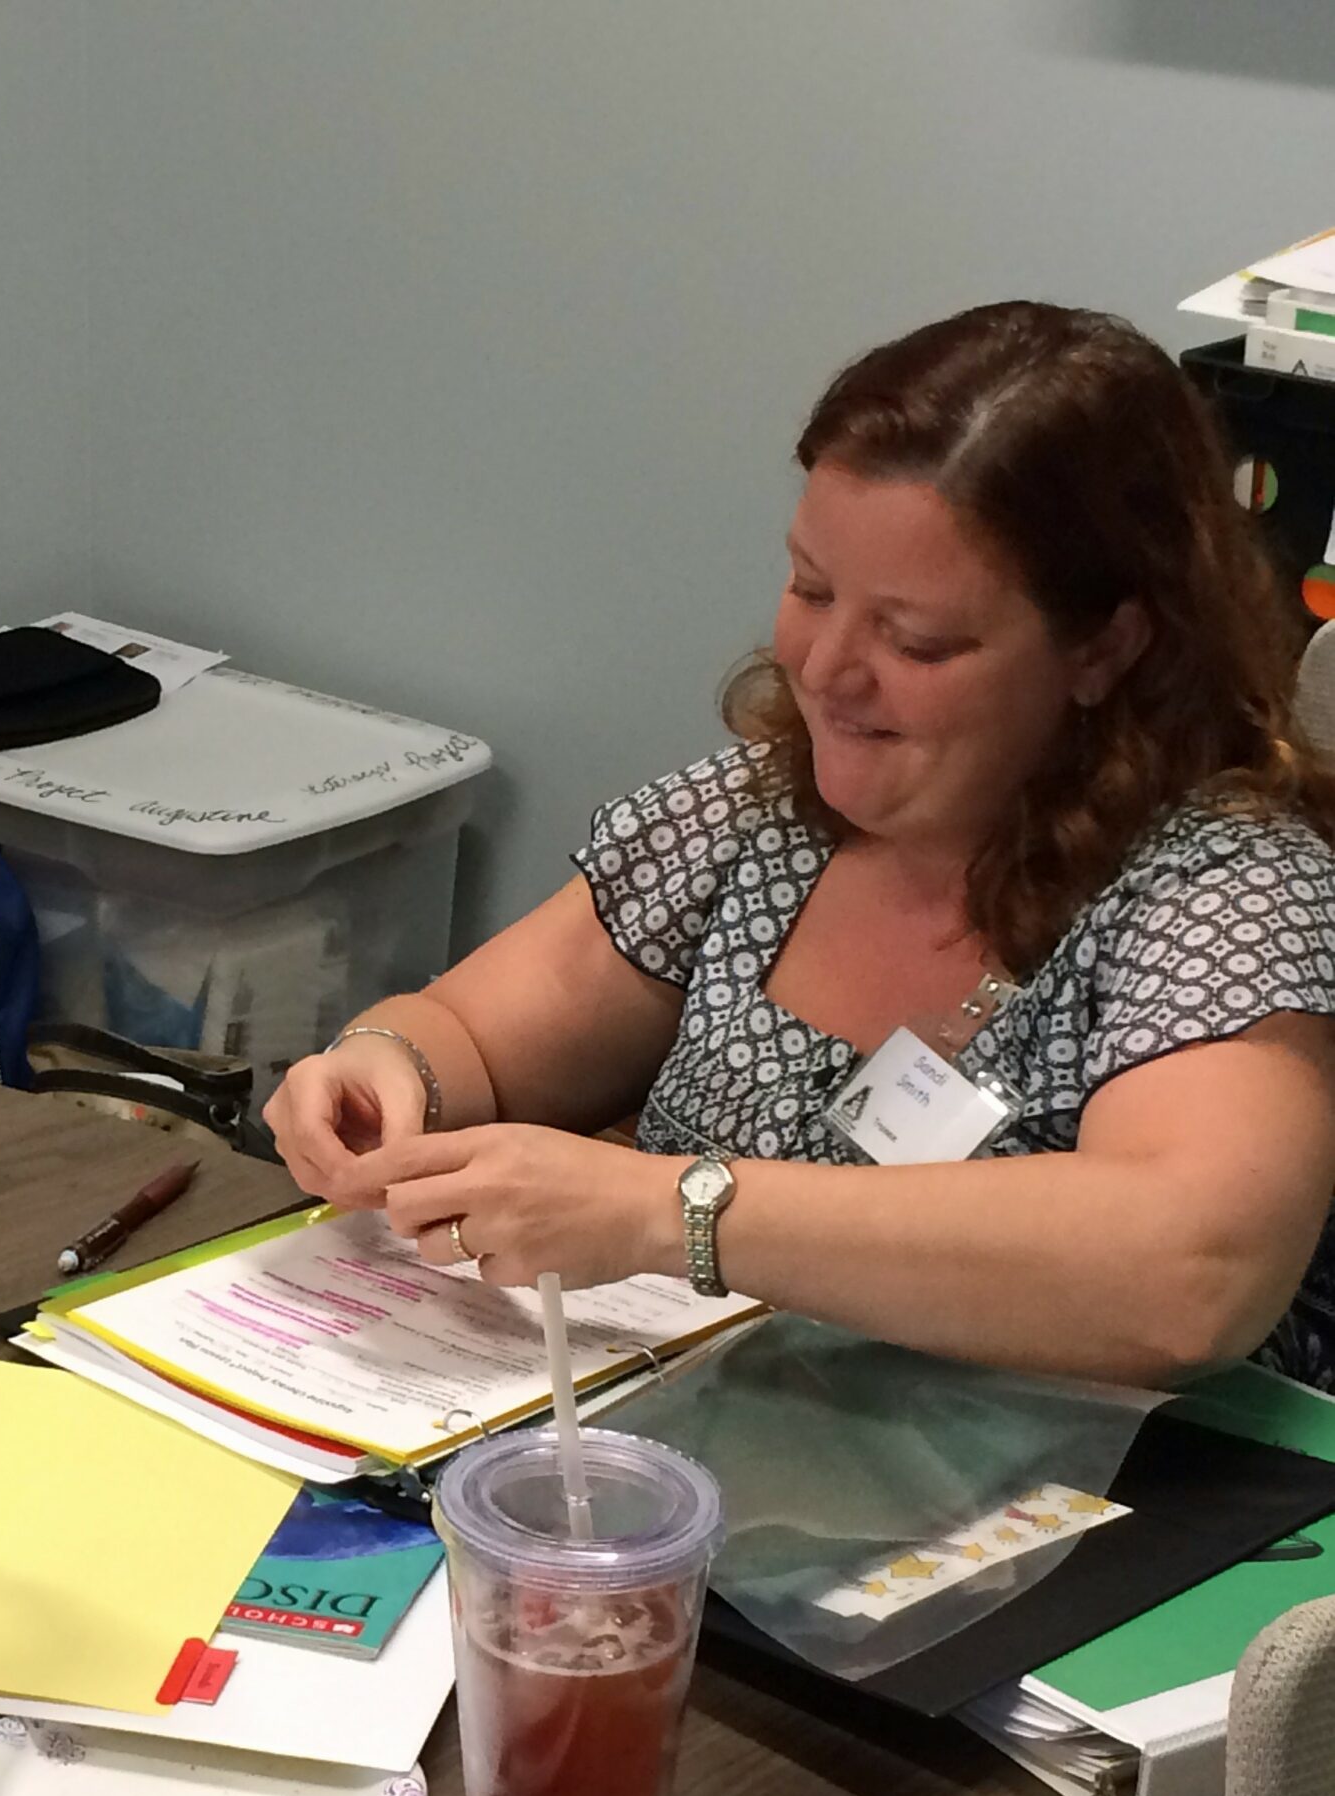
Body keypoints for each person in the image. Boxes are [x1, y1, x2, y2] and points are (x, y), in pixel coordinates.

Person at [269, 300, 1335, 1391]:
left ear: (1106, 647)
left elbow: (1190, 1270)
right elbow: (471, 1035)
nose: (826, 669)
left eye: (917, 640)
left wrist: (673, 1211)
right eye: (811, 589)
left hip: (1099, 1488)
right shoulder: (762, 814)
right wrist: (382, 1071)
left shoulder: (1227, 888)